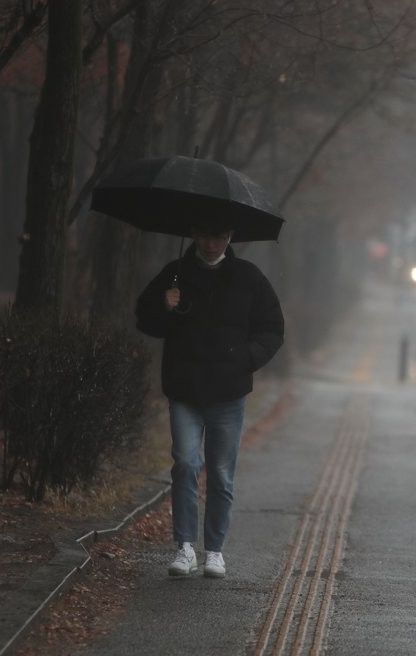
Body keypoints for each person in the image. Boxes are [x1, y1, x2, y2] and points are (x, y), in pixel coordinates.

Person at [135, 212, 284, 579]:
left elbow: (272, 328)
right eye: (204, 235)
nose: (210, 244)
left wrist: (245, 360)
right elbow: (146, 320)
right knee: (185, 463)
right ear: (194, 233)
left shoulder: (249, 278)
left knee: (220, 473)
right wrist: (163, 306)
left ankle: (214, 550)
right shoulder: (174, 274)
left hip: (228, 393)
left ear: (230, 236)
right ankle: (185, 547)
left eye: (218, 236)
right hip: (184, 389)